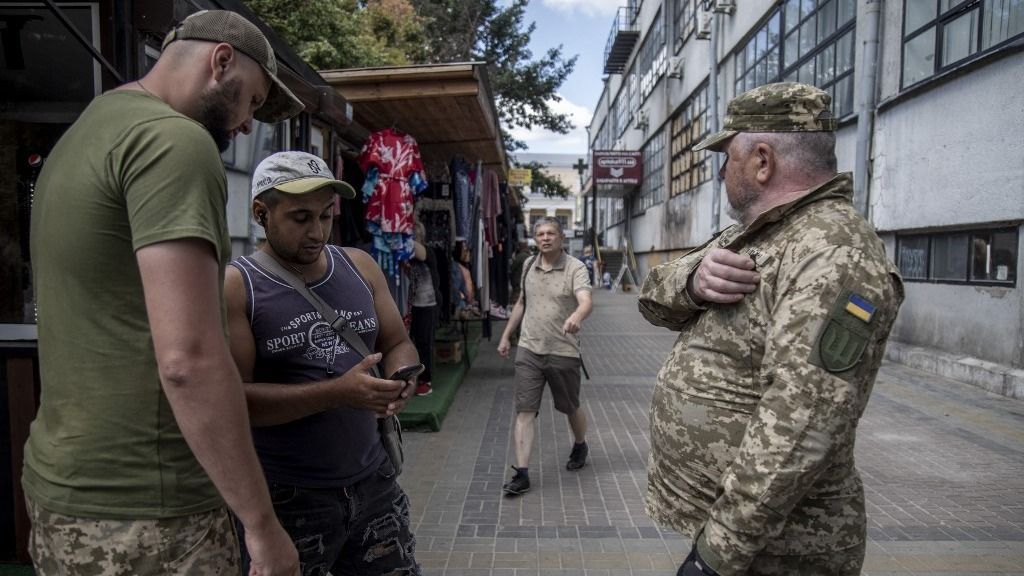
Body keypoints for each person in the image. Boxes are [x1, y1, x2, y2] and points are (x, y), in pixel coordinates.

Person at [24, 10, 303, 576]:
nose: (249, 124)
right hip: (149, 509)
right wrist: (261, 524)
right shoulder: (174, 141)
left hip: (61, 488)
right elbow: (189, 360)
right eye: (251, 101)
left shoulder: (88, 130)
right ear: (220, 60)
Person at [638, 82, 904, 576]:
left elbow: (802, 420)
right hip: (736, 534)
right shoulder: (761, 232)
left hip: (778, 551)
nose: (721, 171)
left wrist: (717, 555)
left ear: (762, 160)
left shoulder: (832, 249)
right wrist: (692, 282)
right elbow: (652, 296)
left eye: (727, 155)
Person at [225, 151, 422, 576]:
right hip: (288, 497)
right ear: (262, 213)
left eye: (325, 216)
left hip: (374, 483)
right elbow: (234, 401)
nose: (317, 232)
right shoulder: (238, 286)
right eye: (300, 218)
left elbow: (397, 342)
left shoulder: (359, 265)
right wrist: (335, 394)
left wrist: (401, 377)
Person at [497, 217, 594, 496]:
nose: (545, 238)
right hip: (529, 349)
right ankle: (522, 473)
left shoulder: (575, 267)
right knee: (525, 410)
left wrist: (577, 314)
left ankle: (580, 444)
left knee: (569, 406)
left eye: (551, 233)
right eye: (540, 233)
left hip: (562, 350)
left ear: (561, 237)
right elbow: (521, 303)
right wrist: (506, 336)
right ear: (535, 238)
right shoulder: (528, 264)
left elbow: (586, 300)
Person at [409, 220, 440, 396]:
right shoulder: (405, 255)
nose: (413, 237)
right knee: (407, 341)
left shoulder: (427, 252)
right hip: (408, 305)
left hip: (427, 305)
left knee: (424, 343)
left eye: (415, 234)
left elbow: (418, 252)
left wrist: (400, 234)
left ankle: (425, 380)